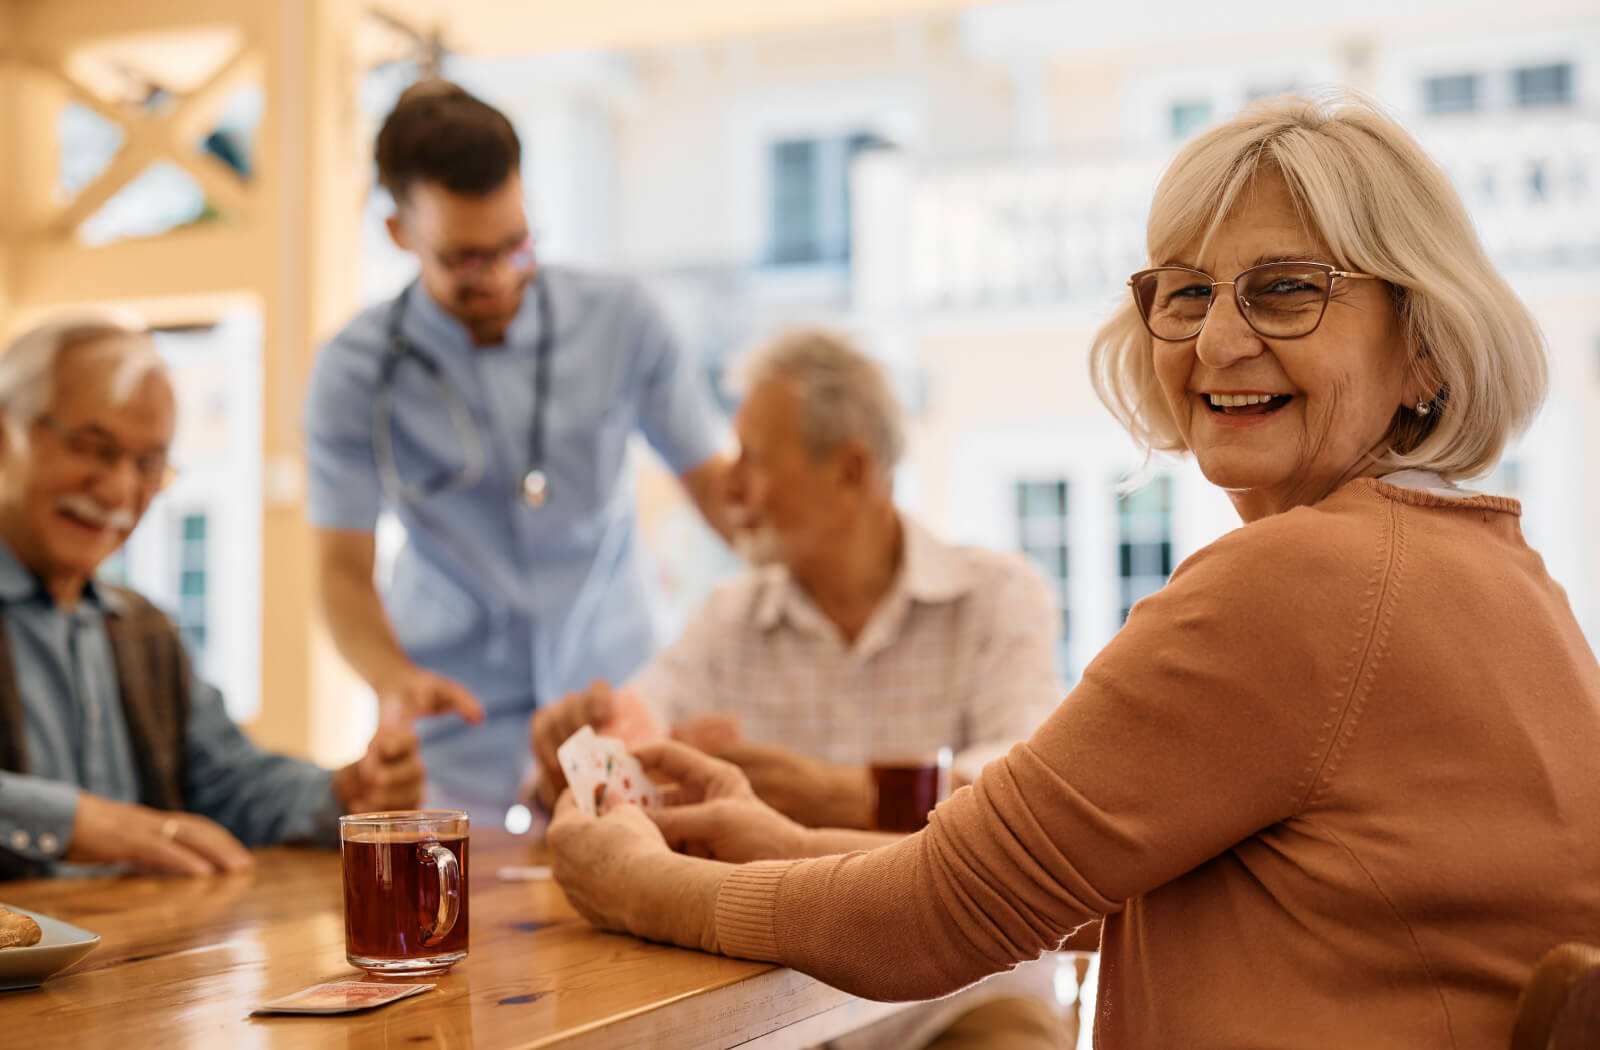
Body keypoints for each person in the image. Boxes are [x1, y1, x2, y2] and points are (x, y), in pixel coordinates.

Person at [545, 94, 1600, 1049]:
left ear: (1423, 345)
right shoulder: (1504, 574)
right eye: (1184, 294)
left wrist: (644, 887)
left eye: (1286, 291)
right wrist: (780, 844)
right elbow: (1098, 884)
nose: (1218, 339)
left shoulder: (1302, 581)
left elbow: (932, 921)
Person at [532, 330, 1067, 1049]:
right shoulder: (729, 617)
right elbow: (634, 731)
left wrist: (837, 794)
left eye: (753, 457)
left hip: (965, 996)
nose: (727, 485)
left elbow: (1024, 797)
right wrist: (583, 749)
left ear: (850, 471)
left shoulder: (998, 596)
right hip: (774, 1008)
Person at [304, 81, 733, 822]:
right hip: (457, 730)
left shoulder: (623, 322)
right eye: (466, 260)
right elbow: (342, 572)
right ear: (399, 233)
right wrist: (393, 678)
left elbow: (725, 499)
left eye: (515, 246)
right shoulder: (353, 371)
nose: (500, 278)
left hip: (610, 712)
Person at [0, 316, 426, 880]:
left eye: (149, 464)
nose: (121, 491)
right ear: (7, 433)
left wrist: (345, 793)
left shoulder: (142, 629)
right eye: (93, 448)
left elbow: (230, 782)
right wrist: (72, 819)